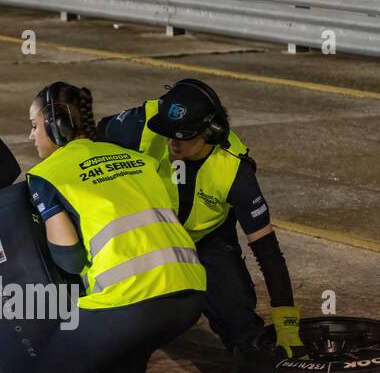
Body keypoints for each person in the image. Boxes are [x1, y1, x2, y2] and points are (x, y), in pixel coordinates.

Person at [26, 82, 207, 373]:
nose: (30, 136)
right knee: (123, 353)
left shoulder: (47, 175)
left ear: (55, 127)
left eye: (35, 125)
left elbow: (70, 259)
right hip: (189, 292)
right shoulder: (132, 157)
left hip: (133, 298)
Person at [98, 79, 302, 356]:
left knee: (237, 318)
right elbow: (87, 144)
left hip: (206, 237)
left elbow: (267, 250)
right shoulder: (139, 124)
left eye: (183, 137)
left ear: (211, 132)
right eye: (168, 134)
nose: (172, 144)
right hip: (150, 232)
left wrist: (286, 318)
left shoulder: (233, 170)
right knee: (120, 314)